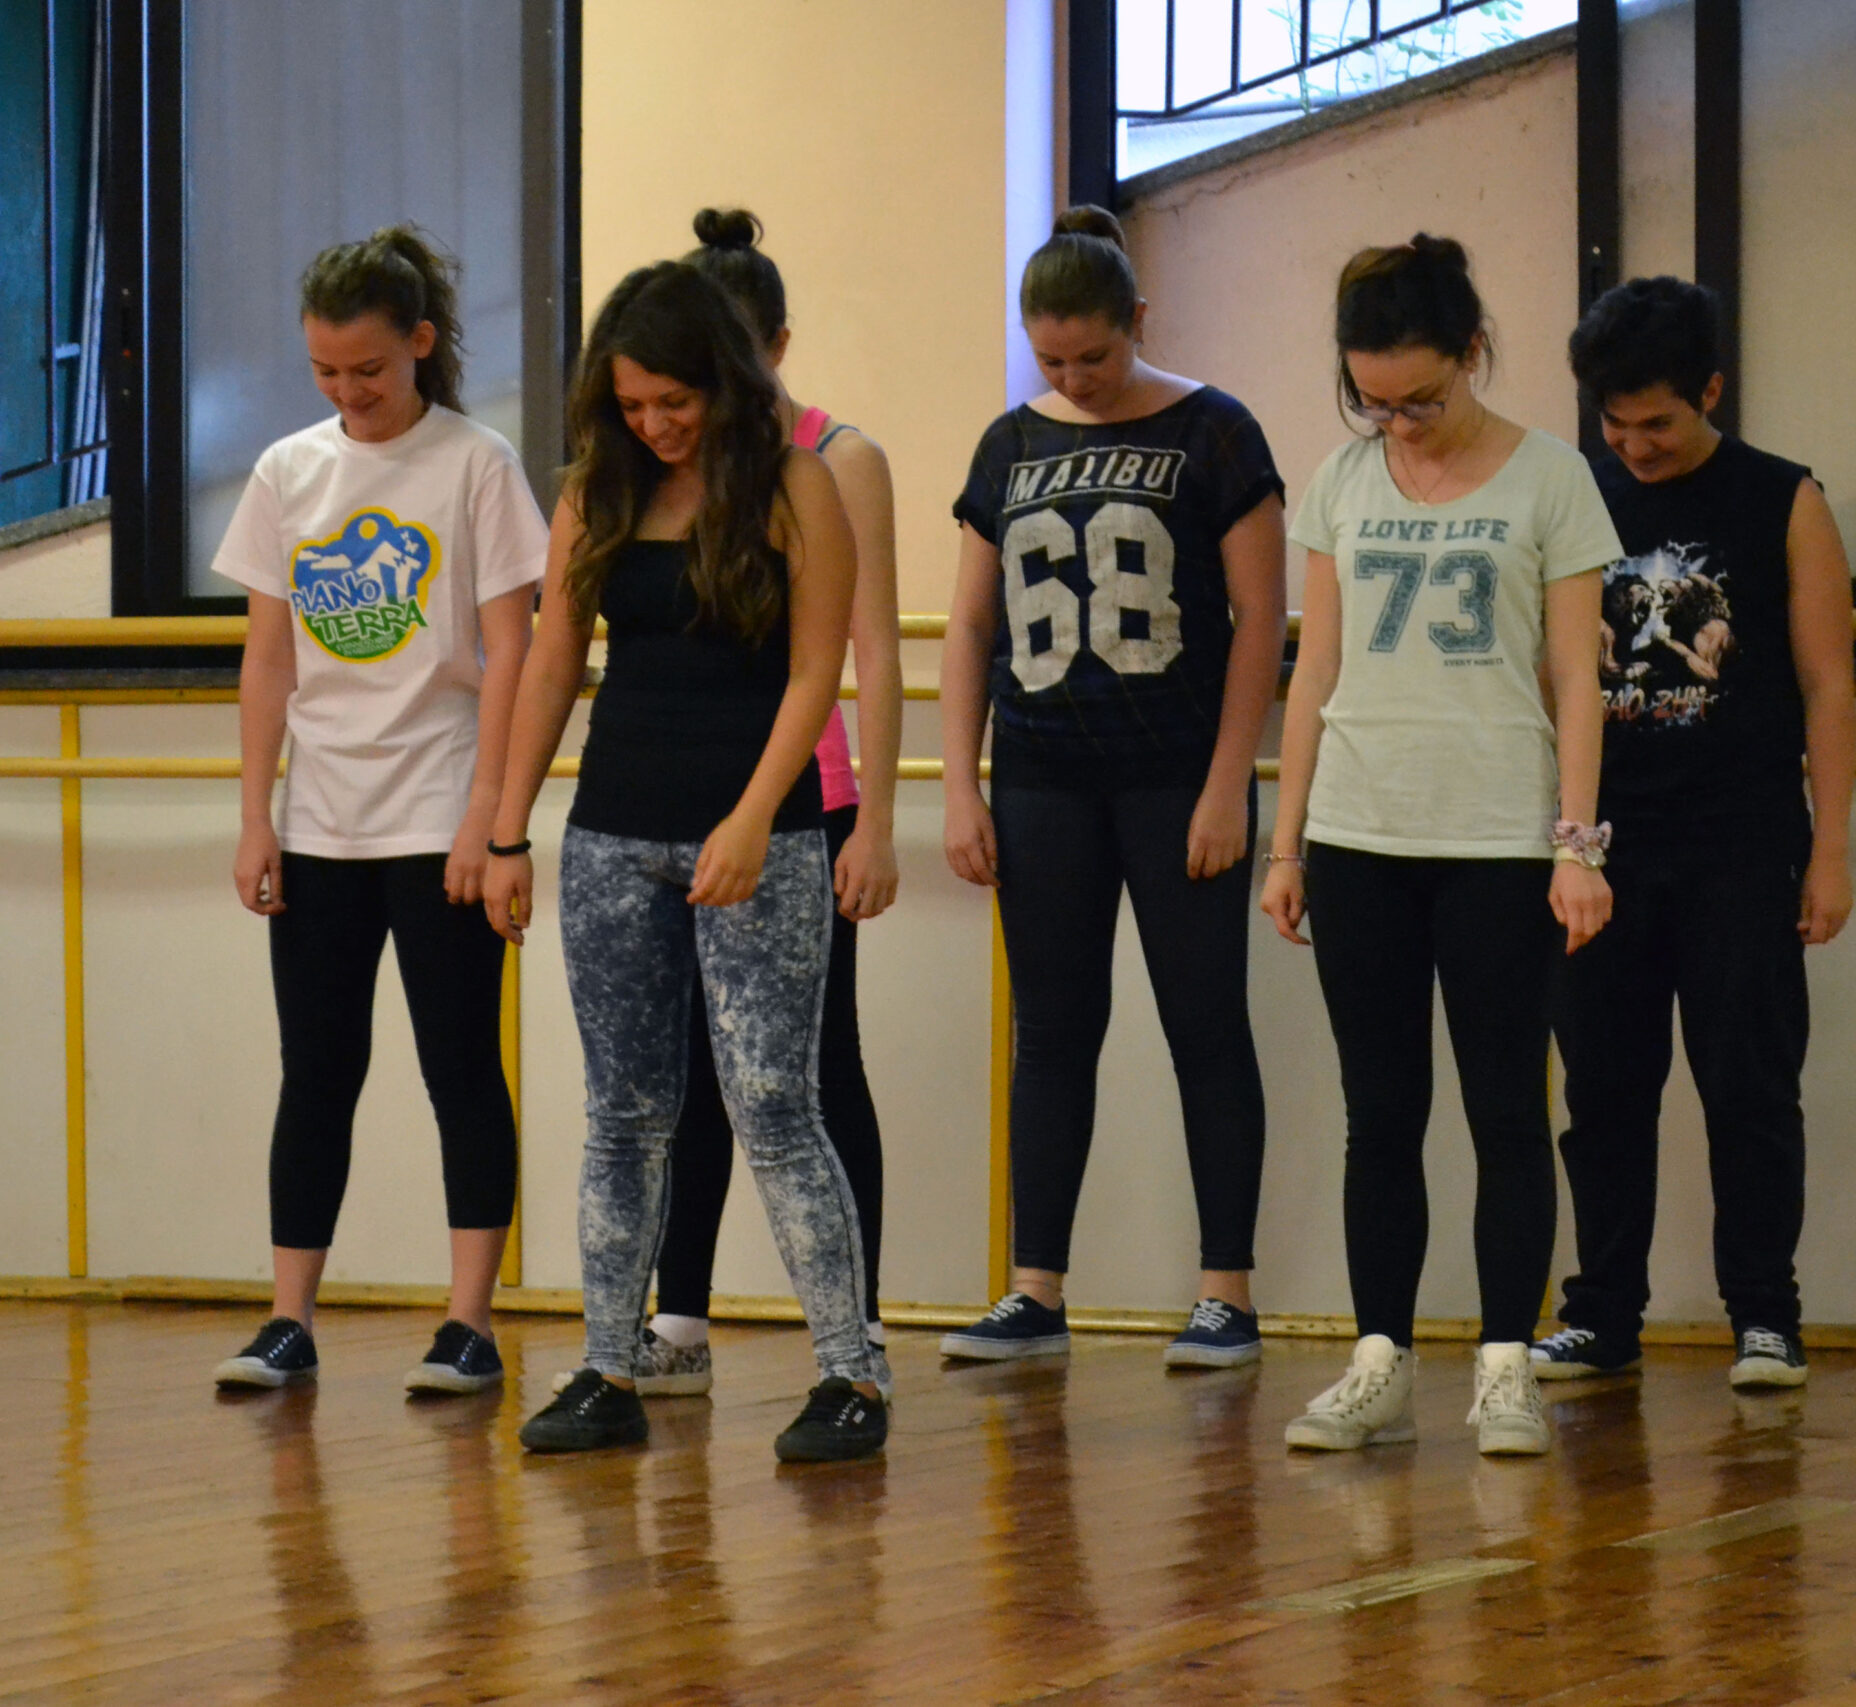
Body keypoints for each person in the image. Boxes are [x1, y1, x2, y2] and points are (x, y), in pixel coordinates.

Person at [487, 260, 889, 1462]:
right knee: (623, 1114)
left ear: (723, 379)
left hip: (761, 836)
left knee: (776, 1104)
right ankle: (608, 1365)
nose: (655, 424)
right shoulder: (595, 490)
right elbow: (553, 660)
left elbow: (816, 670)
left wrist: (757, 817)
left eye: (675, 401)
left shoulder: (798, 483)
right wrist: (507, 829)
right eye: (632, 405)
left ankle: (850, 1374)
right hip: (614, 834)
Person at [1262, 234, 1623, 1456]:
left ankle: (1506, 1363)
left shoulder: (1553, 478)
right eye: (1372, 401)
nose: (1398, 423)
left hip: (1499, 840)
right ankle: (1379, 1358)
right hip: (1360, 833)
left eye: (1419, 398)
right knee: (1379, 1113)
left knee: (1506, 1109)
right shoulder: (1339, 480)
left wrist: (1578, 846)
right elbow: (1314, 669)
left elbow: (1576, 678)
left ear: (1472, 352)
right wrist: (1286, 845)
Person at [939, 206, 1286, 1369]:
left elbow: (1259, 619)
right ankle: (1034, 1290)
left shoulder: (1215, 428)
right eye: (1051, 360)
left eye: (1093, 355)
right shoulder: (1007, 443)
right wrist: (962, 787)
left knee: (1205, 1025)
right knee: (1051, 1033)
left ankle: (1226, 1293)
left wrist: (1228, 782)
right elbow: (970, 625)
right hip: (1043, 776)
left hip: (1174, 773)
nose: (1074, 378)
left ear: (1138, 320)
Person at [210, 226, 543, 1398]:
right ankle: (287, 1318)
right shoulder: (286, 472)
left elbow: (512, 653)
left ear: (421, 344)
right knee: (316, 1071)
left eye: (370, 370)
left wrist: (489, 818)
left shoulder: (477, 463)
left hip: (441, 812)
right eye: (325, 372)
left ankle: (468, 1323)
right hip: (322, 823)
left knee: (460, 1067)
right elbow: (268, 658)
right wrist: (257, 815)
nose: (348, 392)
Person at [1533, 276, 1856, 1393]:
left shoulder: (1783, 498)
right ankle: (1600, 1313)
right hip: (1603, 847)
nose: (1634, 447)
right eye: (1614, 426)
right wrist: (1564, 841)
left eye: (1657, 424)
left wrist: (1829, 851)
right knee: (1601, 1093)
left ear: (1712, 392)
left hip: (1740, 841)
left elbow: (1827, 685)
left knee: (1750, 1088)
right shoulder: (1574, 496)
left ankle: (1765, 1315)